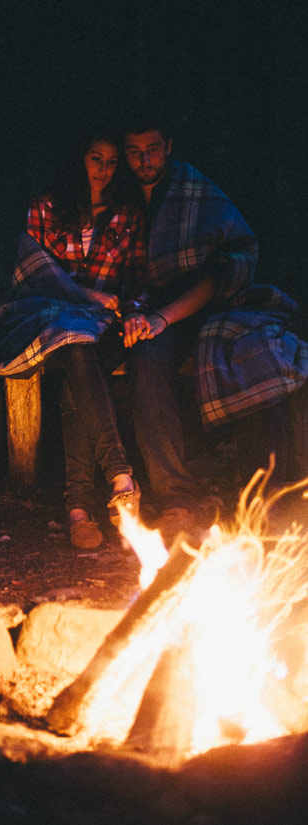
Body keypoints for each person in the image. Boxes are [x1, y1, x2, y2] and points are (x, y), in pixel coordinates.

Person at [118, 103, 308, 545]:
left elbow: (226, 266)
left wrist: (164, 316)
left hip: (212, 304)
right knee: (147, 359)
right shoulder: (120, 198)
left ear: (168, 147)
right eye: (134, 152)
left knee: (255, 354)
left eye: (153, 149)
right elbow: (116, 270)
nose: (145, 161)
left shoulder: (191, 190)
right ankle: (176, 497)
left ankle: (268, 500)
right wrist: (137, 313)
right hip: (150, 310)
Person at [25, 128, 145, 549]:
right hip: (54, 322)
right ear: (81, 157)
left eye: (112, 162)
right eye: (97, 159)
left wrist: (136, 311)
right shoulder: (46, 209)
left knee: (81, 367)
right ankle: (119, 477)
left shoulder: (126, 214)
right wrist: (87, 295)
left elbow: (136, 278)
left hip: (105, 326)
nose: (104, 170)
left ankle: (78, 508)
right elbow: (33, 278)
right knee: (77, 347)